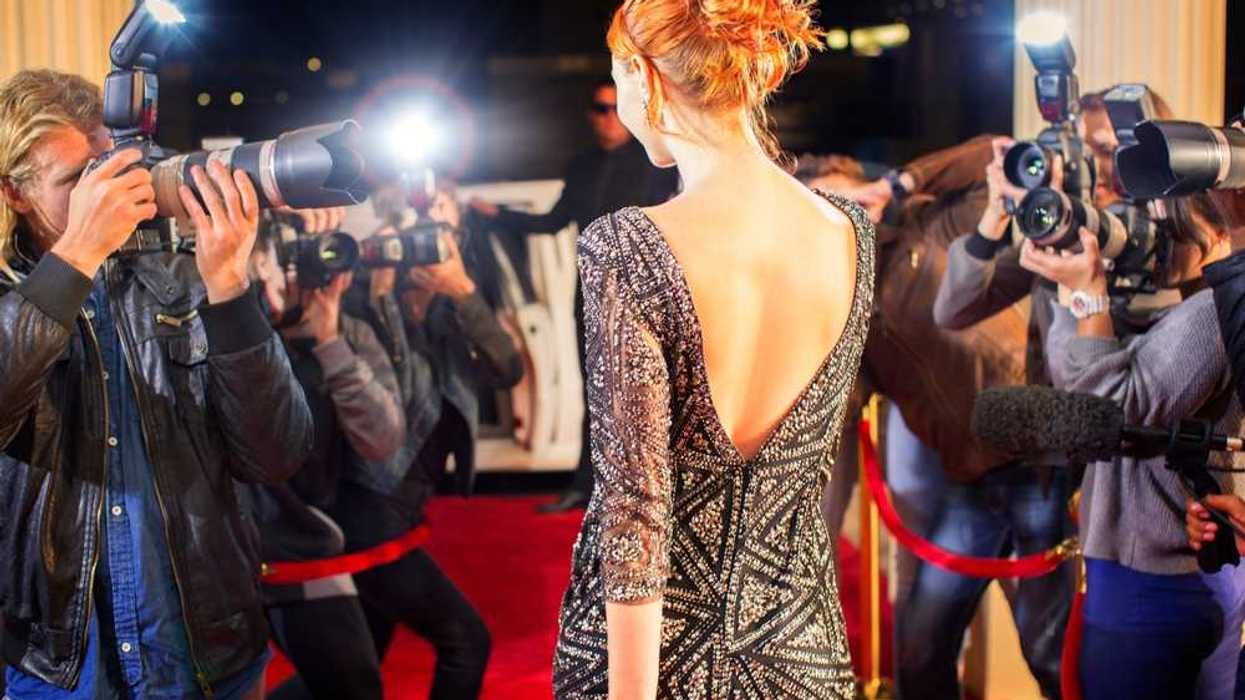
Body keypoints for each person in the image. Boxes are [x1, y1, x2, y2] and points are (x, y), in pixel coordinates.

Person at [553, 0, 874, 696]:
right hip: (802, 655)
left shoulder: (624, 247)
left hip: (660, 666)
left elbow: (634, 514)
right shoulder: (849, 231)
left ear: (642, 77)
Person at [0, 69, 313, 698]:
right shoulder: (11, 302)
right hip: (62, 668)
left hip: (212, 656)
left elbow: (276, 454)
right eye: (76, 182)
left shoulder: (181, 277)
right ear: (15, 193)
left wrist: (229, 287)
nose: (105, 196)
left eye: (109, 171)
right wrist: (78, 254)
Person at [798, 145, 1069, 699]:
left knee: (1049, 653)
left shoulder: (934, 225)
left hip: (1038, 461)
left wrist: (897, 183)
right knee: (920, 656)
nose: (846, 216)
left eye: (851, 200)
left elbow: (996, 152)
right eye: (825, 208)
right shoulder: (842, 307)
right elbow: (837, 407)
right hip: (969, 483)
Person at [1027, 193, 1243, 700]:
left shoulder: (1211, 312)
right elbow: (1081, 381)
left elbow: (1101, 413)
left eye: (1171, 221)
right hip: (1182, 577)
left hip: (1154, 584)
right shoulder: (1190, 304)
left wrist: (1088, 297)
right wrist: (1079, 296)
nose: (1155, 233)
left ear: (1218, 227)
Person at [323, 185, 523, 700]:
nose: (427, 246)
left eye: (442, 231)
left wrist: (463, 293)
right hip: (368, 505)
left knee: (357, 668)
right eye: (418, 232)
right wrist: (383, 290)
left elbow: (508, 369)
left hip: (404, 504)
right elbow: (390, 407)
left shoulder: (457, 306)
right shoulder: (363, 295)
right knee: (466, 643)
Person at [469, 79, 680, 513]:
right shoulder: (582, 165)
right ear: (591, 116)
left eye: (615, 108)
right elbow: (551, 222)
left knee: (646, 390)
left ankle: (646, 488)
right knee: (595, 389)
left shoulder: (653, 164)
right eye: (600, 109)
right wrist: (497, 216)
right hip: (591, 291)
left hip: (641, 293)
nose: (608, 117)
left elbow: (670, 224)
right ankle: (588, 485)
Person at [246, 209, 406, 700]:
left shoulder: (347, 332)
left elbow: (383, 440)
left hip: (311, 548)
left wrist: (331, 342)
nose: (306, 270)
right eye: (289, 255)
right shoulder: (232, 328)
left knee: (354, 686)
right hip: (234, 558)